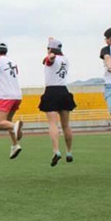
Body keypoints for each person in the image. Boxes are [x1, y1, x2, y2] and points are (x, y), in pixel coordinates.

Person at [39, 38, 76, 166]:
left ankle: (56, 150)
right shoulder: (65, 60)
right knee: (66, 125)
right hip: (64, 91)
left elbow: (49, 60)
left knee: (53, 123)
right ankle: (69, 152)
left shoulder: (51, 58)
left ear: (50, 49)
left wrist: (50, 56)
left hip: (51, 91)